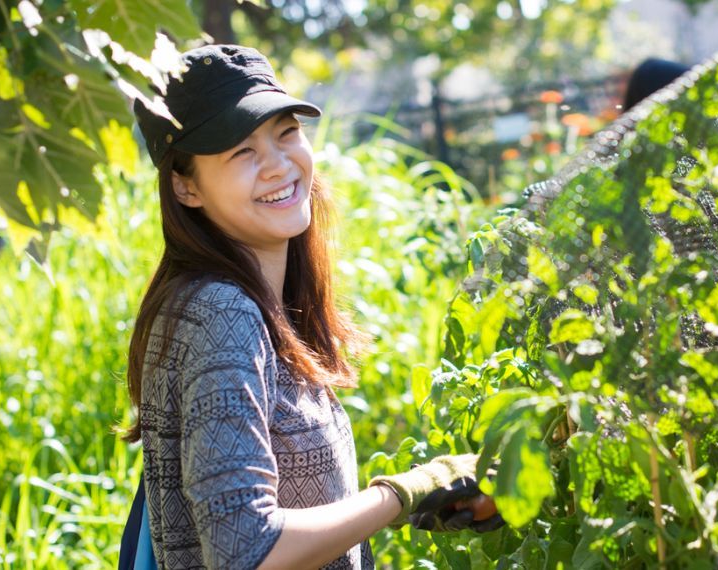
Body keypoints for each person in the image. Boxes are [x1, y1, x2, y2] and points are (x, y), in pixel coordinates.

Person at [122, 44, 502, 570]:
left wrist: (431, 498)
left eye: (286, 133)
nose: (279, 165)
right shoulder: (221, 312)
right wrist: (404, 492)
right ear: (186, 187)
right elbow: (246, 550)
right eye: (241, 152)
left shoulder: (228, 301)